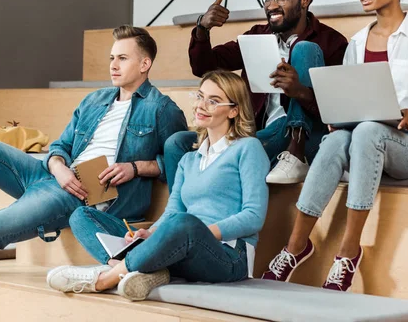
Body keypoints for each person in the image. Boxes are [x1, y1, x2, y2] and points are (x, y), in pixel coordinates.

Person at [0, 26, 187, 320]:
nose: (113, 65)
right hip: (53, 174)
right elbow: (60, 145)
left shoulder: (162, 109)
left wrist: (135, 167)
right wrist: (57, 166)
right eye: (111, 58)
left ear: (145, 63)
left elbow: (176, 163)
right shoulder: (95, 100)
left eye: (123, 58)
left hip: (84, 192)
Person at [261, 0, 408, 292]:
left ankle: (349, 252)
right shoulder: (358, 43)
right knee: (337, 140)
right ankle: (296, 246)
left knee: (365, 131)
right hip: (371, 141)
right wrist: (336, 116)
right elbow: (350, 99)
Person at [45, 70, 269, 301]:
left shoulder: (248, 148)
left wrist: (197, 233)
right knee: (82, 215)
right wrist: (150, 233)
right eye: (200, 96)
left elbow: (253, 216)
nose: (201, 106)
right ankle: (141, 268)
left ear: (234, 110)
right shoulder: (189, 159)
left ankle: (106, 279)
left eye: (213, 101)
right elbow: (173, 212)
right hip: (181, 248)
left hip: (227, 255)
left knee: (183, 224)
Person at [164, 0, 348, 188]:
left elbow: (339, 112)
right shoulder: (257, 35)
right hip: (255, 133)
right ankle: (177, 215)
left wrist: (301, 92)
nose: (271, 5)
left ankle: (294, 154)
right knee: (176, 143)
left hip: (302, 137)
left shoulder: (331, 43)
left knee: (304, 50)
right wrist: (203, 28)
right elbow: (205, 67)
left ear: (304, 0)